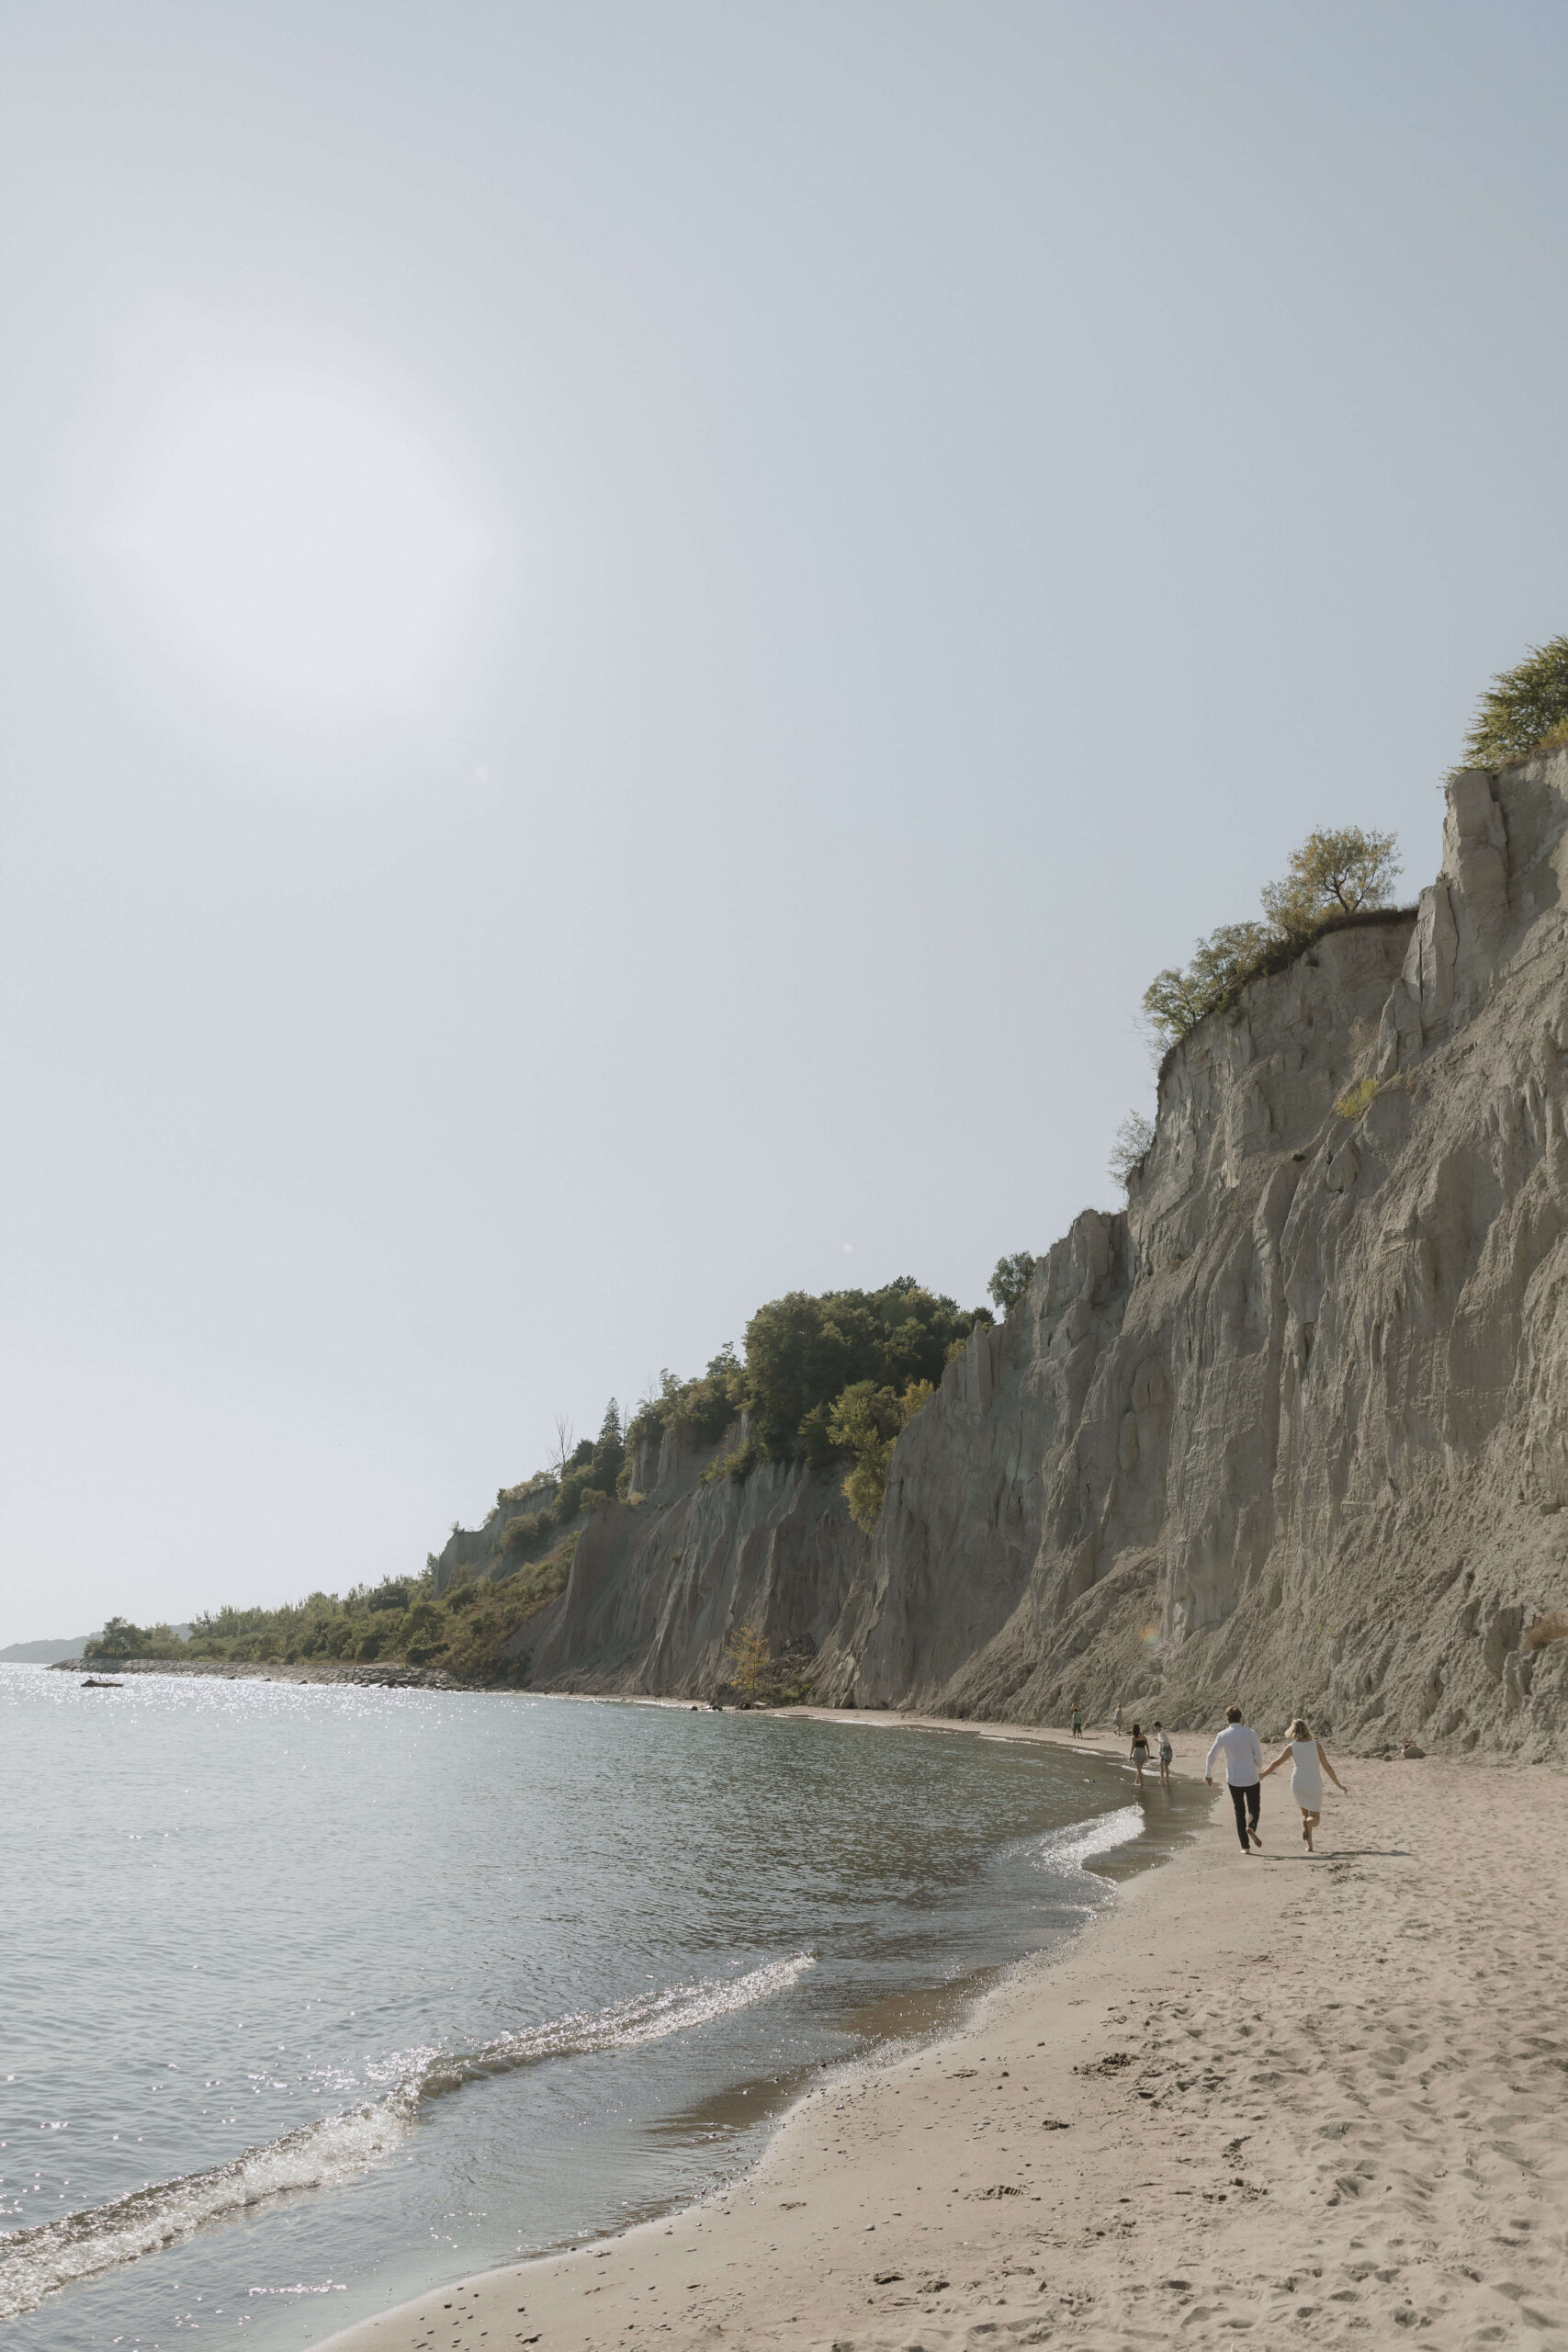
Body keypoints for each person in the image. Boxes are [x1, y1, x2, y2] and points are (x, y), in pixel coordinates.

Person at [1260, 1716, 1347, 1852]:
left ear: (1292, 1731)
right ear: (1306, 1729)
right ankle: (1307, 1826)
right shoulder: (1316, 1745)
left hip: (1298, 1782)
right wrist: (1339, 1785)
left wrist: (1263, 1775)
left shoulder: (1291, 1747)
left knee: (1304, 1813)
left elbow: (1277, 1763)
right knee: (1315, 1818)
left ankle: (1309, 1846)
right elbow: (1327, 1767)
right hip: (1313, 1782)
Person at [1205, 1704, 1264, 1853]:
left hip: (1234, 1779)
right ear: (1241, 1718)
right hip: (1251, 1777)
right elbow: (1258, 1756)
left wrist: (1208, 1773)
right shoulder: (1250, 1733)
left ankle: (1245, 1847)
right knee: (1254, 1808)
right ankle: (1251, 1827)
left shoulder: (1223, 1735)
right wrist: (1259, 1769)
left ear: (1228, 1719)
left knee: (1239, 1811)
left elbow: (1211, 1755)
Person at [1128, 1721, 1150, 1789]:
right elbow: (1147, 1745)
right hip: (1143, 1752)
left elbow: (1133, 1747)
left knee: (1139, 1769)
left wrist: (1130, 1755)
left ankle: (1142, 1784)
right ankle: (1137, 1781)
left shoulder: (1134, 1738)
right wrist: (1148, 1754)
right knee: (1139, 1769)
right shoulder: (1144, 1736)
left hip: (1138, 1752)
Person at [1154, 1721, 1173, 1786]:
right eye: (1155, 1728)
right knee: (1161, 1764)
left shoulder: (1162, 1733)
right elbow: (1160, 1744)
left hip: (1167, 1750)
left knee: (1166, 1766)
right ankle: (1161, 1779)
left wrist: (1158, 1741)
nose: (1155, 1729)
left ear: (1158, 1727)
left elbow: (1165, 1742)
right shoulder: (1159, 1734)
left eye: (1156, 1727)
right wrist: (1159, 1751)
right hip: (1163, 1750)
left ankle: (1167, 1780)